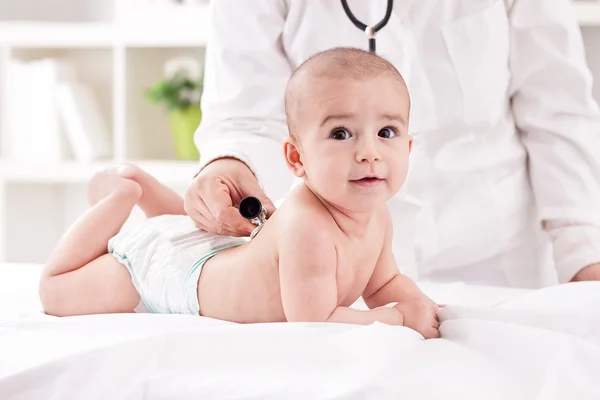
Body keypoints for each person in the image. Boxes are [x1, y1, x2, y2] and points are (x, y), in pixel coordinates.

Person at [185, 0, 600, 289]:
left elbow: (558, 104)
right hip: (340, 270)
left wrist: (582, 248)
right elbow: (247, 116)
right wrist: (230, 165)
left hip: (501, 260)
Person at [38, 48, 441, 339]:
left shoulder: (375, 214)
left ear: (408, 148)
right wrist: (401, 320)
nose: (369, 153)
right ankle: (123, 197)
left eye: (386, 132)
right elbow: (316, 323)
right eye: (341, 133)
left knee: (178, 228)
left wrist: (425, 309)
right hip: (175, 279)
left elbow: (383, 282)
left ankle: (145, 190)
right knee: (55, 292)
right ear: (297, 158)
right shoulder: (308, 227)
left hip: (216, 249)